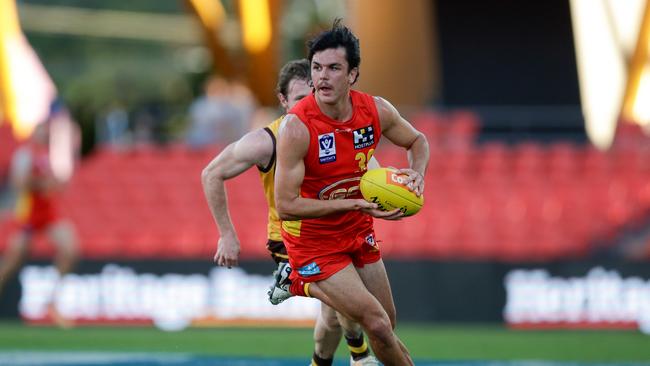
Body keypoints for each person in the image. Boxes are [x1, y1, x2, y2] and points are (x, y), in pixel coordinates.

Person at [201, 59, 380, 366]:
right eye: (300, 99)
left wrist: (388, 191)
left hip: (336, 231)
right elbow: (211, 174)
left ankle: (321, 360)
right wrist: (227, 235)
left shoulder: (337, 131)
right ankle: (359, 355)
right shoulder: (265, 142)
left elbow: (371, 173)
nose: (309, 106)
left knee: (333, 315)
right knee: (350, 303)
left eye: (313, 96)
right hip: (291, 240)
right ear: (283, 102)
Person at [273, 20, 429, 366]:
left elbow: (418, 141)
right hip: (314, 244)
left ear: (353, 74)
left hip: (357, 232)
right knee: (375, 322)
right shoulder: (297, 127)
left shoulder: (375, 110)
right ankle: (298, 279)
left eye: (333, 68)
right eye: (316, 68)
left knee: (386, 325)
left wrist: (417, 175)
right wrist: (354, 203)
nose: (322, 77)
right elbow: (285, 205)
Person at [0, 121, 79, 325]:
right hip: (28, 216)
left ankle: (52, 301)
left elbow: (55, 185)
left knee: (70, 249)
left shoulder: (47, 156)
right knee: (10, 263)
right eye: (42, 132)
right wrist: (42, 184)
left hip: (48, 215)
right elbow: (19, 183)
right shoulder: (25, 154)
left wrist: (55, 184)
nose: (45, 136)